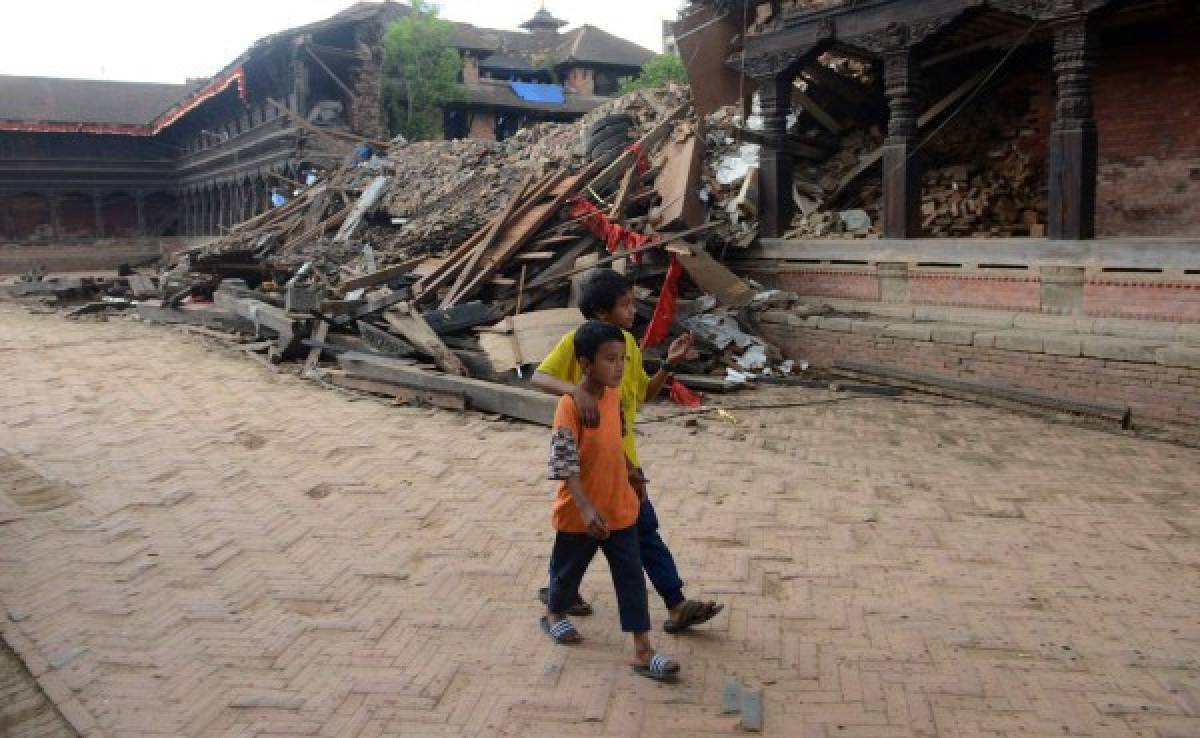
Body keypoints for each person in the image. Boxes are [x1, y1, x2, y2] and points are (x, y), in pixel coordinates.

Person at [533, 268, 723, 633]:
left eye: (633, 302)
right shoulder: (580, 342)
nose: (634, 310)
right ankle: (561, 597)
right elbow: (540, 377)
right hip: (590, 464)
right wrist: (576, 391)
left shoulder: (628, 347)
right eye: (625, 304)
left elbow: (643, 395)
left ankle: (674, 604)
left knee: (642, 532)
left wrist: (668, 365)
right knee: (578, 541)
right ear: (602, 312)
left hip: (624, 462)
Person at [542, 320, 680, 682]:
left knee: (631, 577)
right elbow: (564, 461)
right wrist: (586, 507)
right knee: (566, 574)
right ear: (586, 364)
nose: (619, 367)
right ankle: (555, 613)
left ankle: (642, 649)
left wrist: (632, 470)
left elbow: (617, 440)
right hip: (580, 514)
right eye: (610, 360)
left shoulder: (615, 396)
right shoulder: (569, 407)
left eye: (621, 359)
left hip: (620, 508)